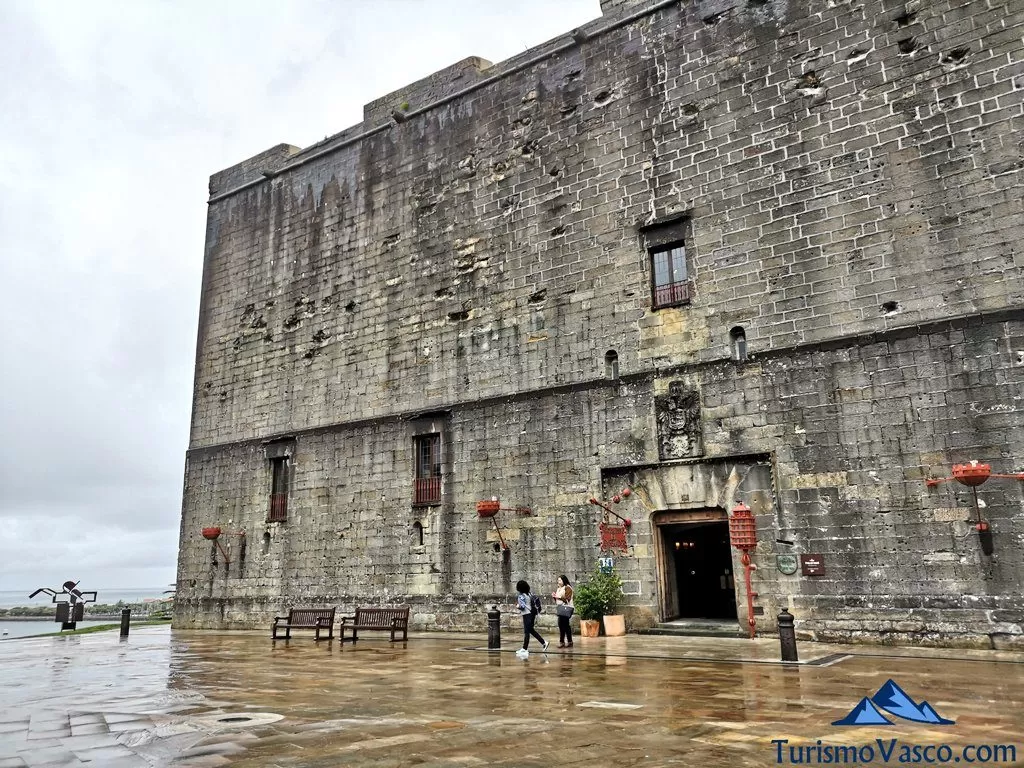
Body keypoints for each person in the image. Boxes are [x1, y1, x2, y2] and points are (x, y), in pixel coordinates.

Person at [515, 579, 547, 658]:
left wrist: (518, 606)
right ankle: (542, 643)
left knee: (527, 632)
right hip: (532, 614)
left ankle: (525, 649)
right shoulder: (530, 594)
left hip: (526, 615)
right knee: (530, 631)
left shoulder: (521, 596)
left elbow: (522, 607)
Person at [552, 575, 574, 648]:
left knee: (565, 625)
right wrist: (555, 597)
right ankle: (564, 642)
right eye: (558, 580)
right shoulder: (559, 588)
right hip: (561, 608)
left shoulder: (567, 588)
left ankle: (566, 642)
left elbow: (567, 599)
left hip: (566, 608)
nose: (558, 582)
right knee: (562, 625)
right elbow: (558, 600)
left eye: (560, 580)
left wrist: (558, 597)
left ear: (564, 580)